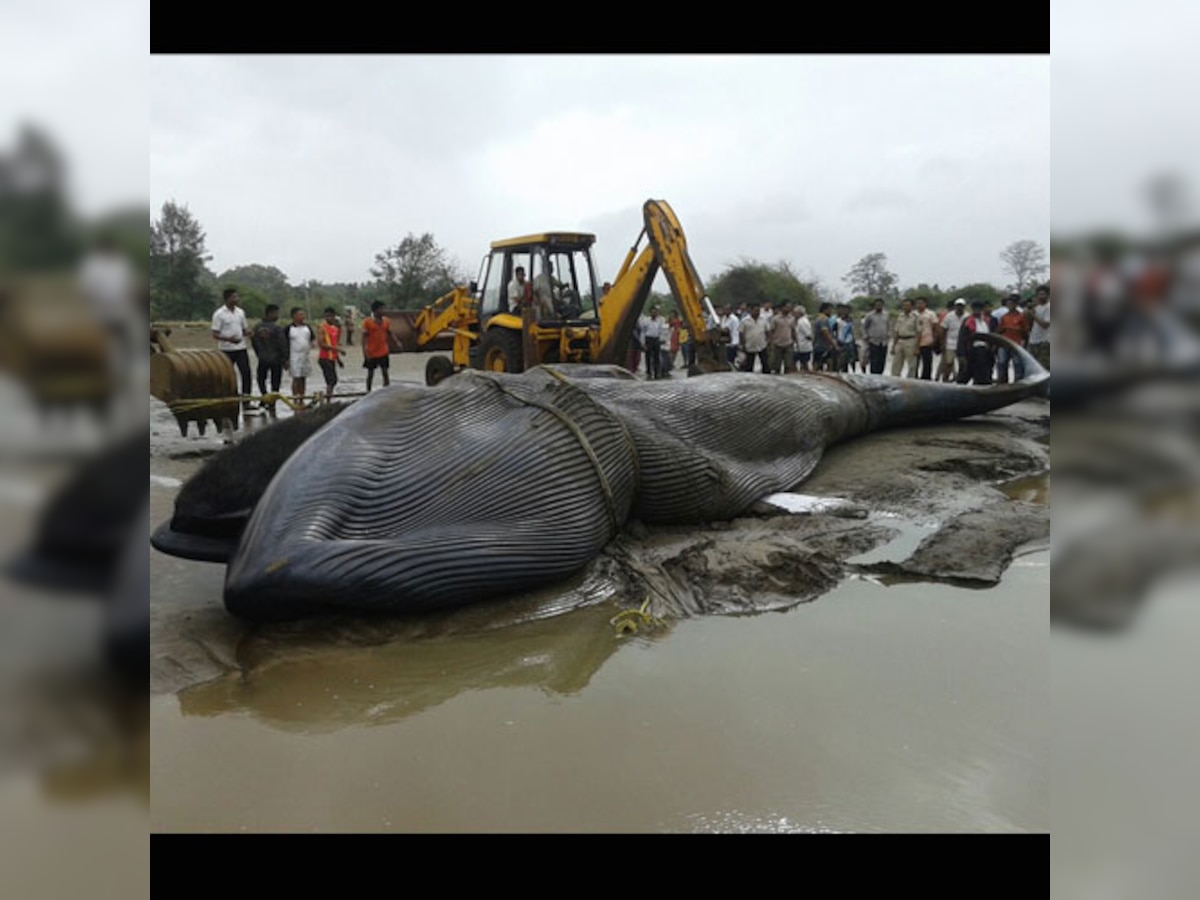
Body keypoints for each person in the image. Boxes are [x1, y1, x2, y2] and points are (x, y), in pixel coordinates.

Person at [211, 287, 252, 408]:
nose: (237, 299)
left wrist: (251, 333)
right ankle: (229, 399)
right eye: (234, 297)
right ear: (227, 299)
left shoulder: (240, 312)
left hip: (241, 348)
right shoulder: (219, 314)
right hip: (226, 350)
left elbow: (244, 330)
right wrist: (229, 339)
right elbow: (215, 334)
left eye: (237, 297)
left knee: (246, 373)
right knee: (227, 375)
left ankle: (246, 400)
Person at [250, 304, 289, 416]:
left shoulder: (257, 327)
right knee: (275, 382)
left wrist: (259, 354)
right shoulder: (277, 328)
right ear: (270, 313)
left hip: (262, 359)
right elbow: (282, 344)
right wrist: (285, 359)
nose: (277, 316)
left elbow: (254, 343)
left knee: (261, 379)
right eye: (276, 313)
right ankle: (272, 402)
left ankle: (264, 396)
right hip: (276, 359)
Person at [994, 297, 1031, 383]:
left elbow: (1026, 331)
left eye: (1011, 304)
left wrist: (1018, 329)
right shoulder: (1004, 317)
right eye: (1008, 304)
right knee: (1002, 362)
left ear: (1015, 305)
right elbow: (999, 329)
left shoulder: (1021, 316)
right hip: (1004, 343)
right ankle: (1002, 382)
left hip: (1016, 343)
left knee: (1017, 363)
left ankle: (1018, 382)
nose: (1009, 306)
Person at [285, 306, 316, 408]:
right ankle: (295, 399)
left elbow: (312, 338)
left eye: (303, 314)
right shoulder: (289, 328)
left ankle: (302, 398)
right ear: (294, 316)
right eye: (300, 314)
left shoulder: (307, 327)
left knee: (303, 377)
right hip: (294, 356)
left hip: (305, 356)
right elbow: (284, 343)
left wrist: (312, 343)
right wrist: (285, 359)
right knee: (296, 378)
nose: (302, 316)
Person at [959, 299, 995, 384]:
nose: (977, 311)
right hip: (973, 351)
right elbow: (962, 338)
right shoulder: (968, 321)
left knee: (983, 374)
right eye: (975, 308)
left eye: (979, 309)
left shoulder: (986, 320)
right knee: (967, 374)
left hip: (985, 351)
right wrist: (962, 354)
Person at [361, 300, 392, 391]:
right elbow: (363, 338)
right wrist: (364, 352)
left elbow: (389, 332)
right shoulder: (367, 322)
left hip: (383, 351)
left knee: (385, 372)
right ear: (375, 310)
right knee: (370, 374)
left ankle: (386, 391)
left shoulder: (386, 321)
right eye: (381, 309)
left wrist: (397, 341)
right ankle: (368, 391)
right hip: (371, 352)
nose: (384, 310)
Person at [317, 306, 345, 401]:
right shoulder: (322, 328)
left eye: (331, 316)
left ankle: (329, 398)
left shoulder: (335, 329)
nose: (329, 318)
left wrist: (338, 360)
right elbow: (321, 344)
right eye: (327, 316)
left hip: (332, 358)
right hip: (324, 358)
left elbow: (334, 344)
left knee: (332, 381)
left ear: (334, 316)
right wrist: (337, 349)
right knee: (331, 380)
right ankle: (328, 400)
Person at [938, 298, 968, 382]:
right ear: (955, 306)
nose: (959, 308)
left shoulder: (967, 316)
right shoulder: (949, 316)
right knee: (948, 363)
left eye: (961, 306)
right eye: (958, 306)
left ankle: (960, 381)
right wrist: (942, 344)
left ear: (964, 307)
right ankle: (945, 381)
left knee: (962, 364)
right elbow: (943, 330)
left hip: (962, 344)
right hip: (950, 343)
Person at [890, 298, 920, 378]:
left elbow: (919, 332)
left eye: (907, 305)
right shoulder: (900, 316)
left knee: (912, 364)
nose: (905, 307)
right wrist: (894, 346)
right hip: (900, 341)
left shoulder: (916, 317)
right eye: (904, 305)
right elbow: (896, 331)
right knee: (896, 363)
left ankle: (910, 381)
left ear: (912, 306)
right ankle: (895, 379)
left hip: (910, 341)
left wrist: (917, 347)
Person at [861, 298, 890, 375]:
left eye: (880, 305)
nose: (878, 306)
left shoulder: (886, 315)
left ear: (883, 305)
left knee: (882, 361)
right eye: (877, 305)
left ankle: (880, 376)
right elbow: (864, 327)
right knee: (874, 362)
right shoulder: (869, 315)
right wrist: (866, 336)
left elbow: (888, 326)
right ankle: (873, 377)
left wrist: (888, 335)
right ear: (874, 306)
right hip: (873, 341)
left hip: (884, 342)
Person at [767, 303, 798, 374]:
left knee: (788, 364)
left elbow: (793, 330)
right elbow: (771, 331)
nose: (788, 309)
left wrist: (795, 341)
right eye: (786, 307)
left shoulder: (792, 319)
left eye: (789, 307)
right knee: (776, 365)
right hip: (777, 343)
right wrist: (771, 342)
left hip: (788, 343)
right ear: (782, 308)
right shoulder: (775, 319)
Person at [739, 304, 770, 373]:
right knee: (749, 365)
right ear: (751, 311)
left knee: (765, 364)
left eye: (758, 311)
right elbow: (741, 333)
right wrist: (742, 344)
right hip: (750, 345)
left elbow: (767, 331)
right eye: (755, 311)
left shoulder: (763, 320)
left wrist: (768, 341)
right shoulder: (745, 320)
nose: (757, 312)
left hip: (762, 344)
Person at [915, 296, 938, 380]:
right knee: (914, 363)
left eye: (921, 303)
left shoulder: (930, 314)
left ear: (925, 304)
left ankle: (926, 379)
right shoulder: (914, 314)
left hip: (927, 341)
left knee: (927, 363)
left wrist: (934, 340)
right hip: (915, 342)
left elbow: (935, 327)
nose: (919, 305)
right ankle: (914, 379)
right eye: (918, 303)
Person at [1028, 285, 1051, 370]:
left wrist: (1033, 315)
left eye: (1043, 294)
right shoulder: (1036, 307)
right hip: (1034, 340)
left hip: (1045, 341)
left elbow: (1045, 325)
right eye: (1039, 294)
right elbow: (1031, 325)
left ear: (1048, 295)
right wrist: (1029, 315)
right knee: (1034, 365)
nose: (1040, 296)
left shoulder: (1049, 307)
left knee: (1043, 366)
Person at [642, 306, 666, 380]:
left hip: (656, 339)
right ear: (650, 312)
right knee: (648, 357)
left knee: (656, 357)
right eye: (652, 312)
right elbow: (643, 332)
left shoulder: (659, 321)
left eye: (655, 312)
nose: (654, 313)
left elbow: (661, 331)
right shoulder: (646, 321)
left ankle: (656, 373)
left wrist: (662, 339)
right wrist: (643, 343)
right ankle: (649, 372)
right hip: (648, 339)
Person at [835, 303, 858, 373]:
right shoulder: (838, 321)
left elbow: (855, 332)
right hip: (841, 343)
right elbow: (835, 331)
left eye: (848, 310)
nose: (846, 312)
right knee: (842, 362)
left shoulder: (852, 321)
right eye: (844, 310)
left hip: (850, 343)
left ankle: (854, 373)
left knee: (852, 361)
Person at [794, 305, 813, 371]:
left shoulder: (802, 322)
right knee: (802, 363)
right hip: (801, 346)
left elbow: (808, 335)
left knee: (803, 363)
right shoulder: (802, 321)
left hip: (803, 346)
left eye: (795, 313)